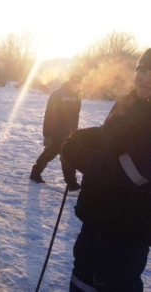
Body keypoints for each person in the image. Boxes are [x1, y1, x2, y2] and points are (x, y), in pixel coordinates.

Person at [61, 48, 151, 291]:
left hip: (125, 234)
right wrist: (82, 136)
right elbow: (110, 133)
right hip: (97, 221)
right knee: (82, 281)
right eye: (142, 71)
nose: (146, 79)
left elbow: (130, 171)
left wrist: (80, 156)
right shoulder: (131, 102)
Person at [29, 73, 83, 191]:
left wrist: (75, 131)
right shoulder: (57, 94)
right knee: (52, 153)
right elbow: (49, 115)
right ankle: (36, 172)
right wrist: (47, 134)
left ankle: (71, 182)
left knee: (66, 155)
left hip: (70, 132)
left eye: (79, 83)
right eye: (76, 82)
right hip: (57, 132)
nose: (78, 85)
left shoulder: (77, 95)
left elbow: (76, 115)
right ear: (71, 82)